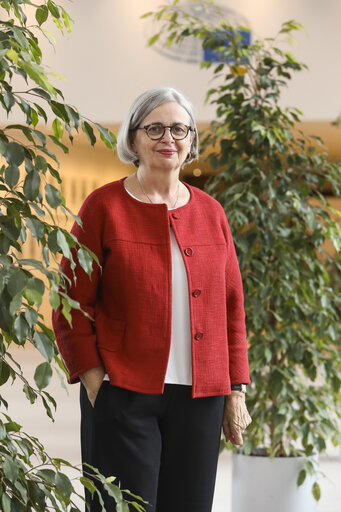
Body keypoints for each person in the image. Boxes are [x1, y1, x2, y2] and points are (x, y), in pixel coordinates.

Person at [52, 87, 252, 512]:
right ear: (134, 138)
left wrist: (236, 389)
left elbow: (232, 308)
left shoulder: (211, 212)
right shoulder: (103, 206)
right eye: (155, 127)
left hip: (200, 399)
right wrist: (95, 382)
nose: (169, 138)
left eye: (180, 129)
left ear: (192, 141)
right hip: (123, 392)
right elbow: (69, 301)